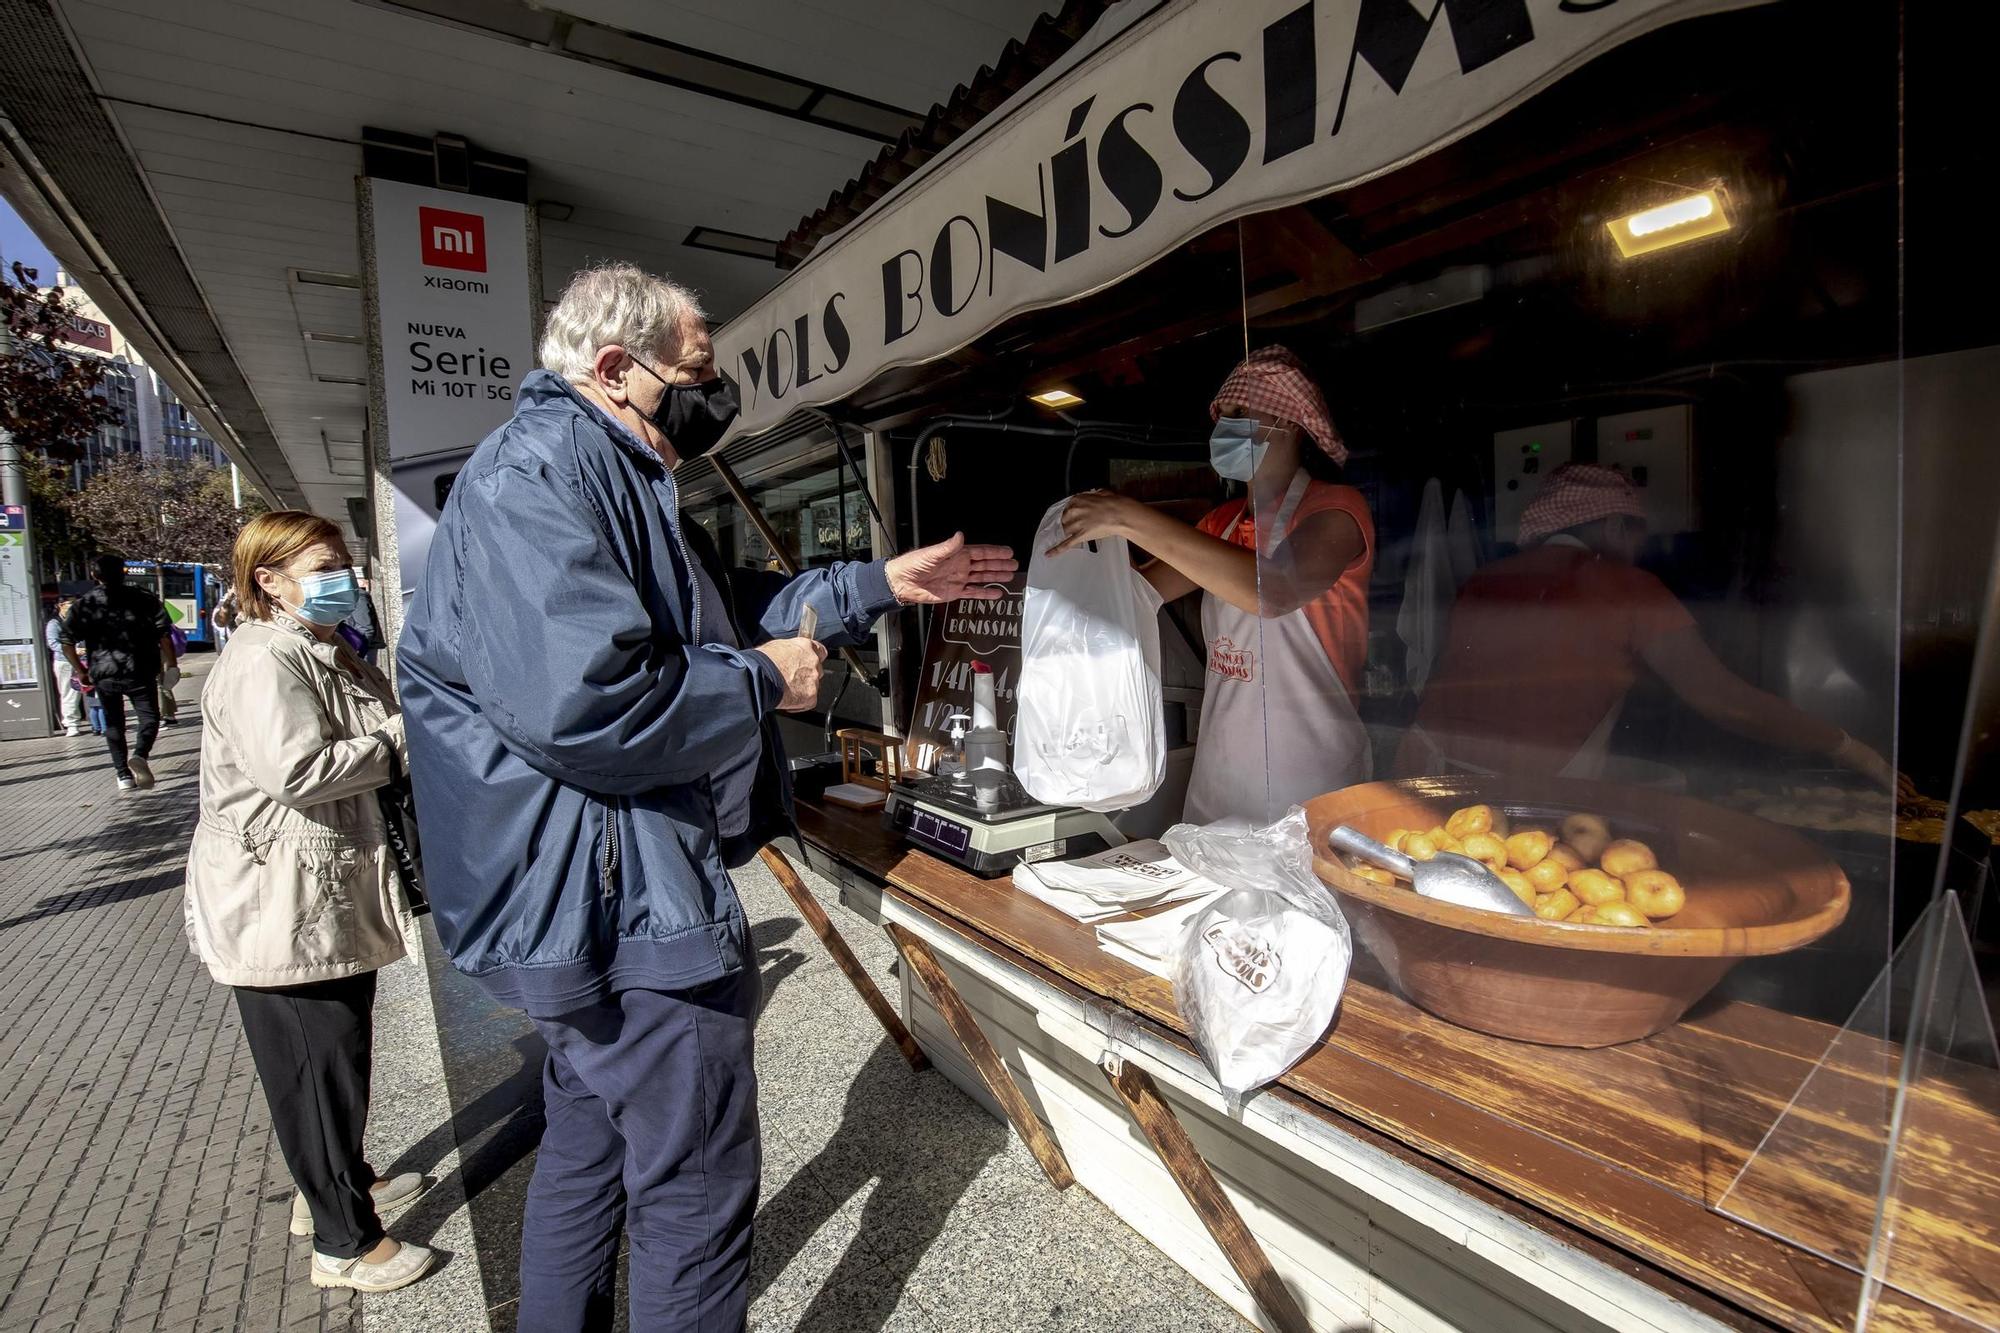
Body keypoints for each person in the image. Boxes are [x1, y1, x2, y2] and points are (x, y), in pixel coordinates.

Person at [397, 261, 1015, 1332]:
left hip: (586, 909)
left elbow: (718, 615)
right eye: (696, 372)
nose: (712, 395)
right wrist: (766, 680)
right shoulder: (538, 476)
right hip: (618, 907)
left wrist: (874, 583)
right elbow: (592, 703)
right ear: (612, 368)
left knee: (585, 1154)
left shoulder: (601, 472)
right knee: (692, 1200)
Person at [182, 510, 434, 1294]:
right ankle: (344, 1242)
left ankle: (338, 1179)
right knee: (313, 1065)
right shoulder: (263, 660)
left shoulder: (314, 647)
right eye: (325, 564)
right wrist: (403, 739)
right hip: (275, 904)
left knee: (336, 1057)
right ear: (270, 580)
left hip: (311, 894)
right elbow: (298, 769)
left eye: (345, 563)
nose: (346, 578)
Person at [1396, 463, 1897, 784]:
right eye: (1639, 535)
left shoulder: (1487, 579)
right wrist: (1847, 747)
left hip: (1421, 773)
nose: (1641, 551)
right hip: (1521, 800)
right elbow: (1724, 701)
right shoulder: (1628, 587)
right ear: (1615, 526)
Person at [1051, 345, 1375, 824]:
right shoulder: (1220, 524)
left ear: (1287, 422)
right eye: (1222, 415)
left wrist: (1128, 516)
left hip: (1312, 786)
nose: (1225, 426)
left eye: (1240, 412)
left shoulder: (1336, 511)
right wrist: (1068, 578)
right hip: (1220, 778)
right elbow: (1140, 595)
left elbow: (1274, 591)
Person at [60, 554, 174, 792]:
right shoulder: (144, 599)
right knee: (150, 718)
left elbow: (66, 640)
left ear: (94, 575)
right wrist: (171, 664)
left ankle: (123, 775)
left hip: (104, 674)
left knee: (114, 724)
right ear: (124, 572)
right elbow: (164, 633)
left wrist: (80, 670)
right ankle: (140, 754)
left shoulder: (84, 604)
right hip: (140, 670)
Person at [45, 597, 88, 736]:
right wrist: (74, 650)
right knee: (69, 692)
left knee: (80, 691)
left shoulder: (77, 621)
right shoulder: (54, 623)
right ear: (60, 606)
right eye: (70, 605)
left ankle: (77, 720)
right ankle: (71, 723)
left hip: (81, 660)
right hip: (64, 661)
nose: (72, 608)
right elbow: (53, 644)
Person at [344, 570, 384, 665]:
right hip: (358, 646)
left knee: (364, 677)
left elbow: (366, 628)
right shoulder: (350, 597)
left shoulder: (356, 597)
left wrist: (359, 652)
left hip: (362, 648)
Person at [157, 625, 186, 725]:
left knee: (158, 684)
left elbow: (164, 637)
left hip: (156, 652)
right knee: (164, 683)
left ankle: (161, 715)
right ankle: (169, 714)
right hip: (162, 651)